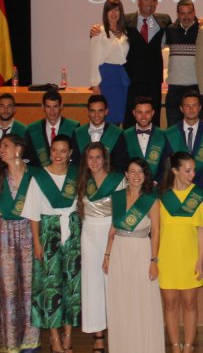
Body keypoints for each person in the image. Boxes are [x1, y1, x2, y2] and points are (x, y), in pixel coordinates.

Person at [22, 135, 82, 353]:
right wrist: (37, 243)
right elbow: (33, 215)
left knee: (72, 285)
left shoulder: (77, 175)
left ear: (70, 153)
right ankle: (54, 336)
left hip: (73, 232)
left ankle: (68, 335)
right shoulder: (39, 177)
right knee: (50, 286)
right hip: (48, 233)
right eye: (54, 150)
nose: (58, 155)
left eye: (63, 151)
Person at [103, 158, 163, 353]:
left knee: (142, 300)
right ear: (126, 175)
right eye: (132, 171)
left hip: (141, 250)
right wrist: (107, 254)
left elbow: (156, 231)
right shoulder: (118, 196)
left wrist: (154, 260)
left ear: (145, 175)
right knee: (121, 300)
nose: (136, 176)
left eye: (140, 172)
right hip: (120, 249)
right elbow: (113, 228)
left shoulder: (151, 199)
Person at [0, 134, 40, 353]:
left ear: (19, 148)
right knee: (8, 290)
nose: (1, 149)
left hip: (28, 230)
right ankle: (10, 343)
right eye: (0, 146)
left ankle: (30, 342)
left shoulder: (34, 175)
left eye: (6, 145)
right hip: (4, 231)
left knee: (29, 288)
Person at [156, 152, 203, 351]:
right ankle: (175, 345)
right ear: (175, 171)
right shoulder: (162, 197)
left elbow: (202, 229)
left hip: (190, 258)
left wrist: (200, 259)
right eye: (187, 171)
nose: (192, 174)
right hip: (167, 258)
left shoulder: (200, 196)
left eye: (194, 170)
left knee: (190, 304)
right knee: (170, 304)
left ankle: (188, 346)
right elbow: (156, 230)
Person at [76, 143, 125, 352]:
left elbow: (121, 212)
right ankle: (98, 333)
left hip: (111, 230)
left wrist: (112, 237)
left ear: (104, 159)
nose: (94, 162)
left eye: (98, 157)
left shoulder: (117, 180)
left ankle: (117, 330)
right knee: (92, 282)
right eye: (90, 158)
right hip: (89, 232)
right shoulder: (82, 182)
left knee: (112, 282)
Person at [118, 0, 173, 124]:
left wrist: (199, 22)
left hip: (153, 80)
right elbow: (109, 32)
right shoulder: (125, 20)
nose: (150, 3)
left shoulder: (164, 20)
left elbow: (180, 29)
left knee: (153, 119)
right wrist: (96, 30)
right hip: (131, 80)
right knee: (130, 118)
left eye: (154, 0)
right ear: (138, 1)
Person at [166, 90, 203, 190]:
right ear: (181, 108)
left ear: (200, 108)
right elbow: (166, 164)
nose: (191, 109)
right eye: (187, 106)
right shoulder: (170, 134)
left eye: (194, 105)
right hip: (177, 190)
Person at [89, 0, 132, 125]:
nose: (113, 14)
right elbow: (94, 60)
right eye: (110, 10)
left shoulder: (125, 33)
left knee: (118, 119)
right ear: (105, 13)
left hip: (120, 79)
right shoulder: (99, 32)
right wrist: (95, 85)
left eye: (117, 10)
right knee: (104, 119)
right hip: (105, 79)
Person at [163, 0, 202, 126]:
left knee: (196, 129)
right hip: (174, 88)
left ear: (194, 12)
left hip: (196, 87)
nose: (186, 17)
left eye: (189, 13)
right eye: (182, 13)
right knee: (173, 129)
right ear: (177, 14)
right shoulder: (169, 30)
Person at [115, 96, 171, 179]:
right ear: (134, 113)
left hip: (157, 186)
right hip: (132, 184)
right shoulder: (124, 135)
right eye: (139, 112)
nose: (143, 117)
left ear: (152, 113)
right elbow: (120, 163)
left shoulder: (163, 135)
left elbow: (166, 164)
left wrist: (156, 181)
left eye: (147, 112)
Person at [25, 90, 80, 167]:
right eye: (48, 107)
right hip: (41, 175)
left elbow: (77, 159)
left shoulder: (74, 128)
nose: (52, 112)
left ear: (61, 106)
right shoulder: (32, 130)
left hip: (66, 174)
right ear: (43, 107)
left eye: (55, 106)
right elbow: (28, 158)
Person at [74, 94, 124, 163]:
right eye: (93, 111)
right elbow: (75, 161)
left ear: (106, 111)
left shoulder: (117, 133)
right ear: (88, 112)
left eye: (100, 111)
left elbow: (120, 162)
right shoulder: (77, 133)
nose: (96, 115)